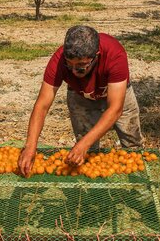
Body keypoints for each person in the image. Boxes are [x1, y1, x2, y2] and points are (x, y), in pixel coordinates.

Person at [18, 25, 144, 176]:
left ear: (96, 56)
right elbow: (42, 105)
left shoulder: (114, 54)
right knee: (87, 153)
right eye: (68, 65)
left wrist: (83, 144)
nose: (73, 71)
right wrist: (30, 146)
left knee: (133, 147)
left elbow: (115, 109)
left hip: (117, 94)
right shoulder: (58, 60)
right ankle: (90, 192)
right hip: (80, 96)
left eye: (80, 67)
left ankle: (138, 189)